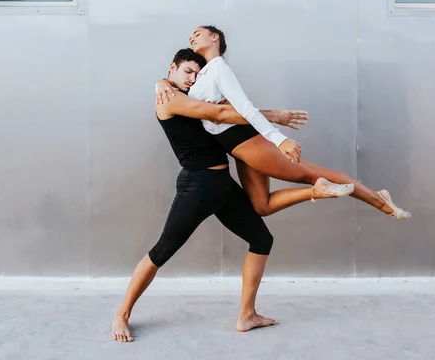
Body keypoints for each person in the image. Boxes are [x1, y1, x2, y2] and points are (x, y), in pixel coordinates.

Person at [111, 49, 352, 343]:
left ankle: (247, 315)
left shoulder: (183, 93)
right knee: (162, 250)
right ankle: (122, 314)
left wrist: (162, 80)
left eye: (197, 75)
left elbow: (223, 112)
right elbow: (220, 113)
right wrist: (274, 117)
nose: (192, 79)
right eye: (187, 72)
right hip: (197, 186)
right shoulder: (169, 99)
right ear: (172, 67)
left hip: (222, 184)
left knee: (262, 240)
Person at [157, 26, 411, 219]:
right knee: (261, 205)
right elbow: (189, 97)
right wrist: (162, 82)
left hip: (240, 138)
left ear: (215, 38)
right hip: (232, 145)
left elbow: (244, 108)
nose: (192, 37)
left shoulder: (220, 68)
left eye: (198, 33)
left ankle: (378, 200)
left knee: (312, 173)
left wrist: (280, 140)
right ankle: (322, 191)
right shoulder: (203, 74)